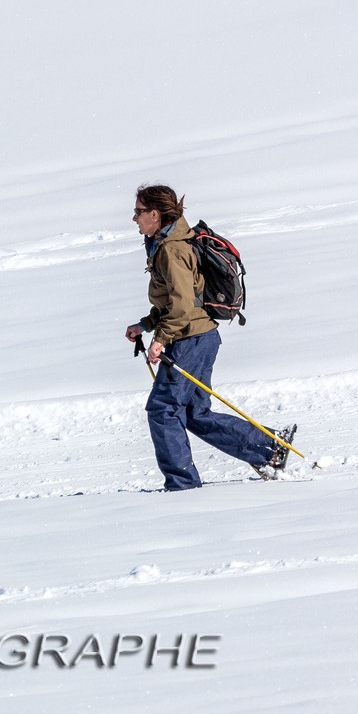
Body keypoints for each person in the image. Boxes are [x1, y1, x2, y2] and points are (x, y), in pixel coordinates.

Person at [124, 185, 293, 489]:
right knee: (194, 413)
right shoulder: (167, 243)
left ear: (154, 214)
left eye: (138, 211)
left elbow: (182, 304)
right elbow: (177, 301)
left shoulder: (171, 249)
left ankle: (182, 486)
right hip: (200, 337)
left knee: (163, 410)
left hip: (189, 340)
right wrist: (146, 325)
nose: (134, 217)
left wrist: (161, 338)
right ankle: (270, 448)